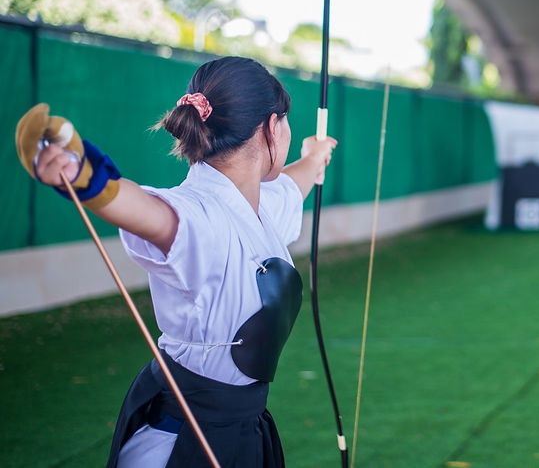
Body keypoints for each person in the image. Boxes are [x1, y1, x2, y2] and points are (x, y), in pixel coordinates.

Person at [15, 56, 338, 467]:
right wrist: (81, 173)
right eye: (287, 125)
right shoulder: (197, 215)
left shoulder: (257, 203)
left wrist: (315, 154)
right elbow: (142, 209)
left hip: (240, 430)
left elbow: (294, 183)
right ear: (270, 128)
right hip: (181, 444)